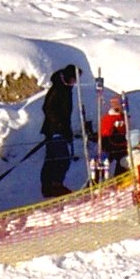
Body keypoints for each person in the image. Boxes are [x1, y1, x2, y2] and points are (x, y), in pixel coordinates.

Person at [39, 64, 81, 198]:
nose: (76, 82)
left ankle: (48, 187)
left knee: (51, 159)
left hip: (60, 129)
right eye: (75, 78)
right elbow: (48, 108)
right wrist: (58, 124)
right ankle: (56, 185)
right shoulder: (58, 88)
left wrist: (67, 130)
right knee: (62, 159)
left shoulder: (67, 89)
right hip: (54, 130)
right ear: (69, 77)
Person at [97, 94, 131, 178]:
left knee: (122, 160)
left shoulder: (122, 117)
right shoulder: (109, 119)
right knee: (106, 163)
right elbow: (105, 135)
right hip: (111, 145)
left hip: (120, 144)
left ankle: (119, 177)